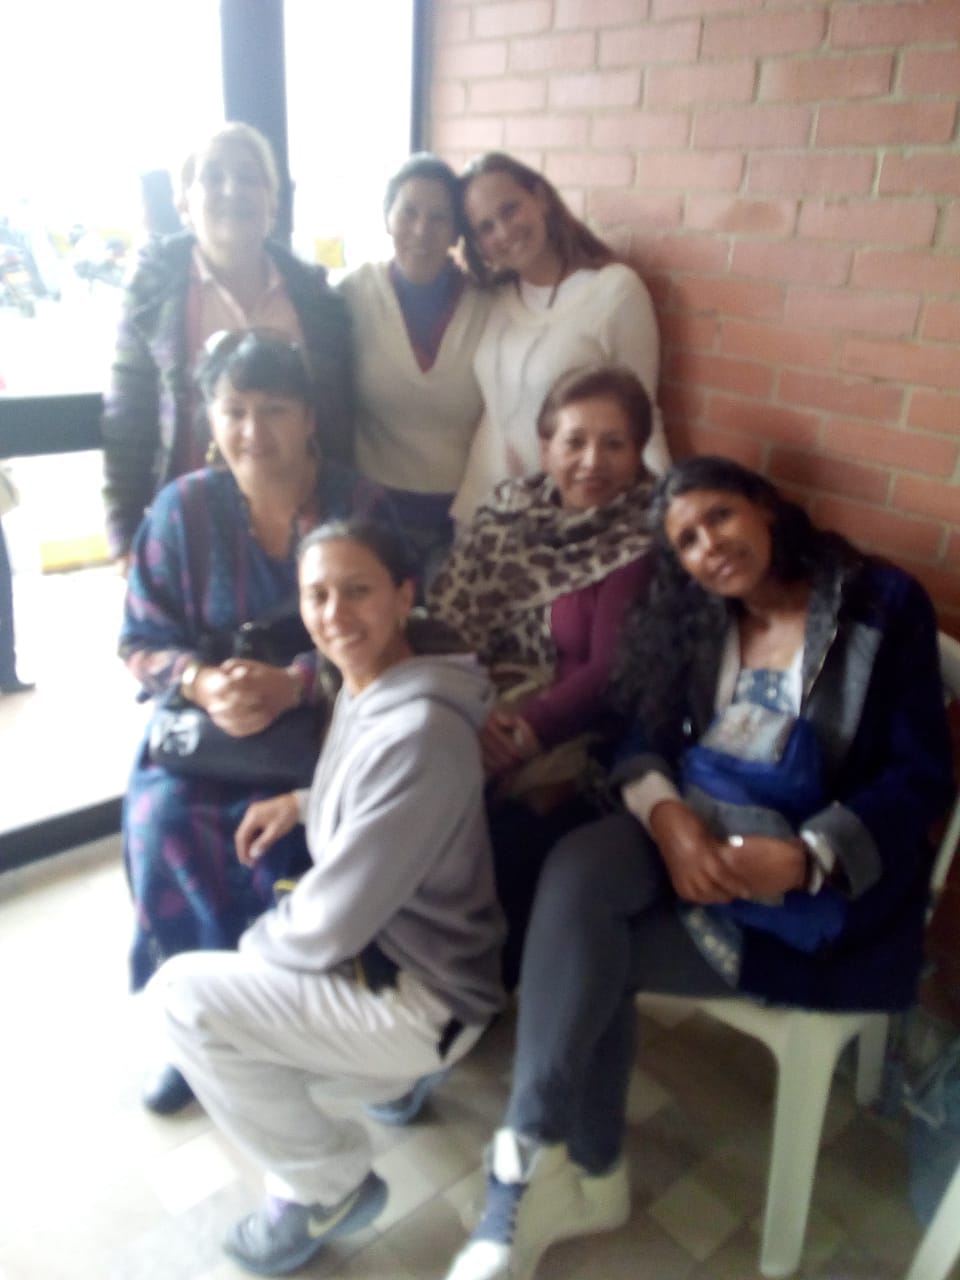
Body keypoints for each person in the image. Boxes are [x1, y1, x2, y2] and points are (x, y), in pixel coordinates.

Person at [444, 456, 955, 1280]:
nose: (707, 545)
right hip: (691, 834)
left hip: (809, 883)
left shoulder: (879, 605)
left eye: (719, 517)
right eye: (685, 540)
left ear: (765, 508)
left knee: (590, 952)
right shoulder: (693, 620)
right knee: (577, 867)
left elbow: (919, 776)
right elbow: (642, 736)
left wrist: (811, 858)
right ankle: (539, 1156)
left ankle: (565, 1174)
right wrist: (670, 820)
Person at [150, 519, 505, 1277]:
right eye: (317, 595)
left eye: (357, 591)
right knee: (252, 964)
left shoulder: (418, 728)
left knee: (184, 1000)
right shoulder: (375, 681)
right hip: (412, 962)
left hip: (422, 997)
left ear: (404, 595)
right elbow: (386, 803)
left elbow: (329, 924)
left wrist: (248, 962)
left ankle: (325, 1187)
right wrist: (305, 802)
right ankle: (397, 1086)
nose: (334, 614)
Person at [120, 330, 391, 1116]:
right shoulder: (181, 509)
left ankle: (308, 1020)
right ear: (209, 415)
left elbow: (396, 627)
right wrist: (202, 682)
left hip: (326, 720)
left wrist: (297, 682)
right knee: (163, 823)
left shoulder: (357, 505)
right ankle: (189, 1022)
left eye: (274, 409)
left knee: (305, 839)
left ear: (309, 417)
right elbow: (139, 640)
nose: (253, 430)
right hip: (209, 732)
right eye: (235, 409)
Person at [428, 364, 655, 985]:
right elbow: (446, 619)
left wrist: (520, 730)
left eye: (614, 443)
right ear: (546, 444)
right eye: (574, 441)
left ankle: (475, 978)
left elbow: (610, 670)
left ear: (639, 451)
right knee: (412, 771)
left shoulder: (641, 536)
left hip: (578, 726)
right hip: (480, 695)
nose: (592, 462)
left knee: (509, 824)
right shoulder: (509, 511)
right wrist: (463, 710)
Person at [102, 121, 352, 563]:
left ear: (272, 201)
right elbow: (128, 417)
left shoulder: (316, 299)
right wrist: (124, 535)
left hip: (302, 523)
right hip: (192, 528)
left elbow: (336, 418)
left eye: (248, 177)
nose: (232, 189)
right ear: (184, 202)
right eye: (213, 177)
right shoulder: (151, 294)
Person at [451, 151, 669, 523]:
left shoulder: (614, 292)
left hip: (565, 521)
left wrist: (667, 511)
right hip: (482, 509)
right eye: (485, 227)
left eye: (509, 210)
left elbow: (642, 418)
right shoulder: (493, 299)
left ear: (541, 198)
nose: (503, 232)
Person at [339, 153, 490, 581]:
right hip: (371, 513)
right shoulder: (350, 296)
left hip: (462, 517)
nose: (422, 230)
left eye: (439, 217)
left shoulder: (490, 305)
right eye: (409, 212)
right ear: (387, 217)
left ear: (457, 230)